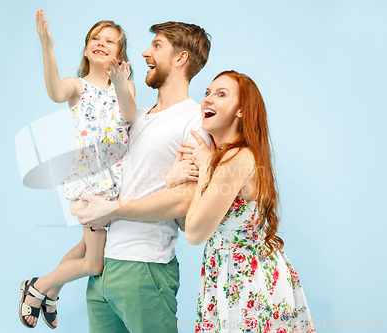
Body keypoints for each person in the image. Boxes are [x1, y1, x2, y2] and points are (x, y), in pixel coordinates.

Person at [72, 22, 212, 333]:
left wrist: (114, 210)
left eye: (157, 46)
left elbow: (186, 200)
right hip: (102, 268)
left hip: (144, 267)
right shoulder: (134, 115)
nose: (146, 53)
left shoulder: (194, 120)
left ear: (180, 58)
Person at [18, 10, 136, 329]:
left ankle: (51, 292)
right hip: (90, 183)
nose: (101, 43)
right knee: (94, 263)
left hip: (116, 185)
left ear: (120, 55)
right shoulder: (78, 87)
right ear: (86, 50)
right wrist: (46, 44)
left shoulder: (125, 89)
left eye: (110, 41)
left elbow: (129, 112)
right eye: (95, 39)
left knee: (85, 248)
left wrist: (122, 82)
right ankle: (37, 287)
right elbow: (56, 92)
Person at [177, 70, 316, 332]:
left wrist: (206, 167)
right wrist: (175, 180)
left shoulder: (237, 159)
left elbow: (194, 233)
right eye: (207, 93)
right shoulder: (224, 157)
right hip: (226, 277)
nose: (207, 99)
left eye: (221, 94)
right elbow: (186, 222)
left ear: (241, 111)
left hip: (248, 284)